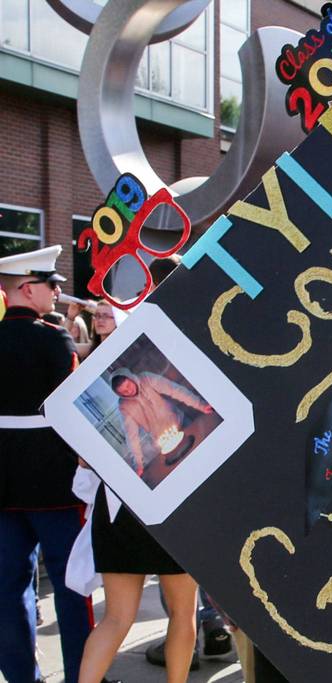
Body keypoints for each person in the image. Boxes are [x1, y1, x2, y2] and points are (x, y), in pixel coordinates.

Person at [77, 299, 201, 683]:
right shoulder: (114, 394)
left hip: (130, 502)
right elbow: (129, 441)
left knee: (124, 616)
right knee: (175, 613)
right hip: (157, 501)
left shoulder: (98, 382)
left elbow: (181, 398)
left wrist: (203, 407)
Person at [0, 245, 94, 683]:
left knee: (8, 591)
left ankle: (22, 678)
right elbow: (74, 409)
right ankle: (81, 675)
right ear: (25, 288)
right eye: (50, 285)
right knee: (71, 585)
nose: (57, 292)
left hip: (2, 485)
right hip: (54, 484)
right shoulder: (52, 338)